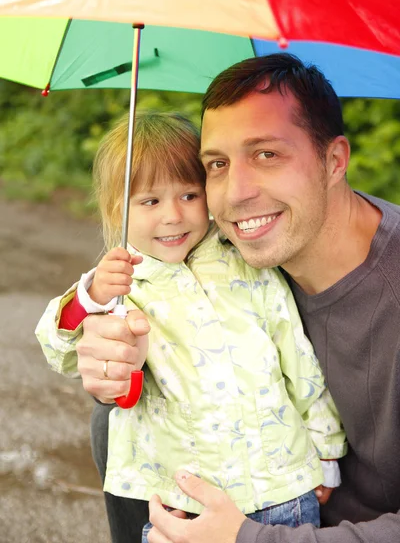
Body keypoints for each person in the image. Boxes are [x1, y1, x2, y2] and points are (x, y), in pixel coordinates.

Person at [72, 54, 400, 543]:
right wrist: (113, 356)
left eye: (267, 154)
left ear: (334, 160)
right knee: (116, 418)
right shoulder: (229, 258)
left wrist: (245, 539)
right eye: (217, 165)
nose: (237, 192)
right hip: (254, 493)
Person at [35, 109, 346, 543]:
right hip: (183, 503)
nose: (173, 216)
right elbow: (59, 347)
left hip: (281, 487)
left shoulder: (246, 263)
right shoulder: (123, 284)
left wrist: (326, 450)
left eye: (188, 195)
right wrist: (91, 296)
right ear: (116, 209)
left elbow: (298, 359)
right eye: (150, 201)